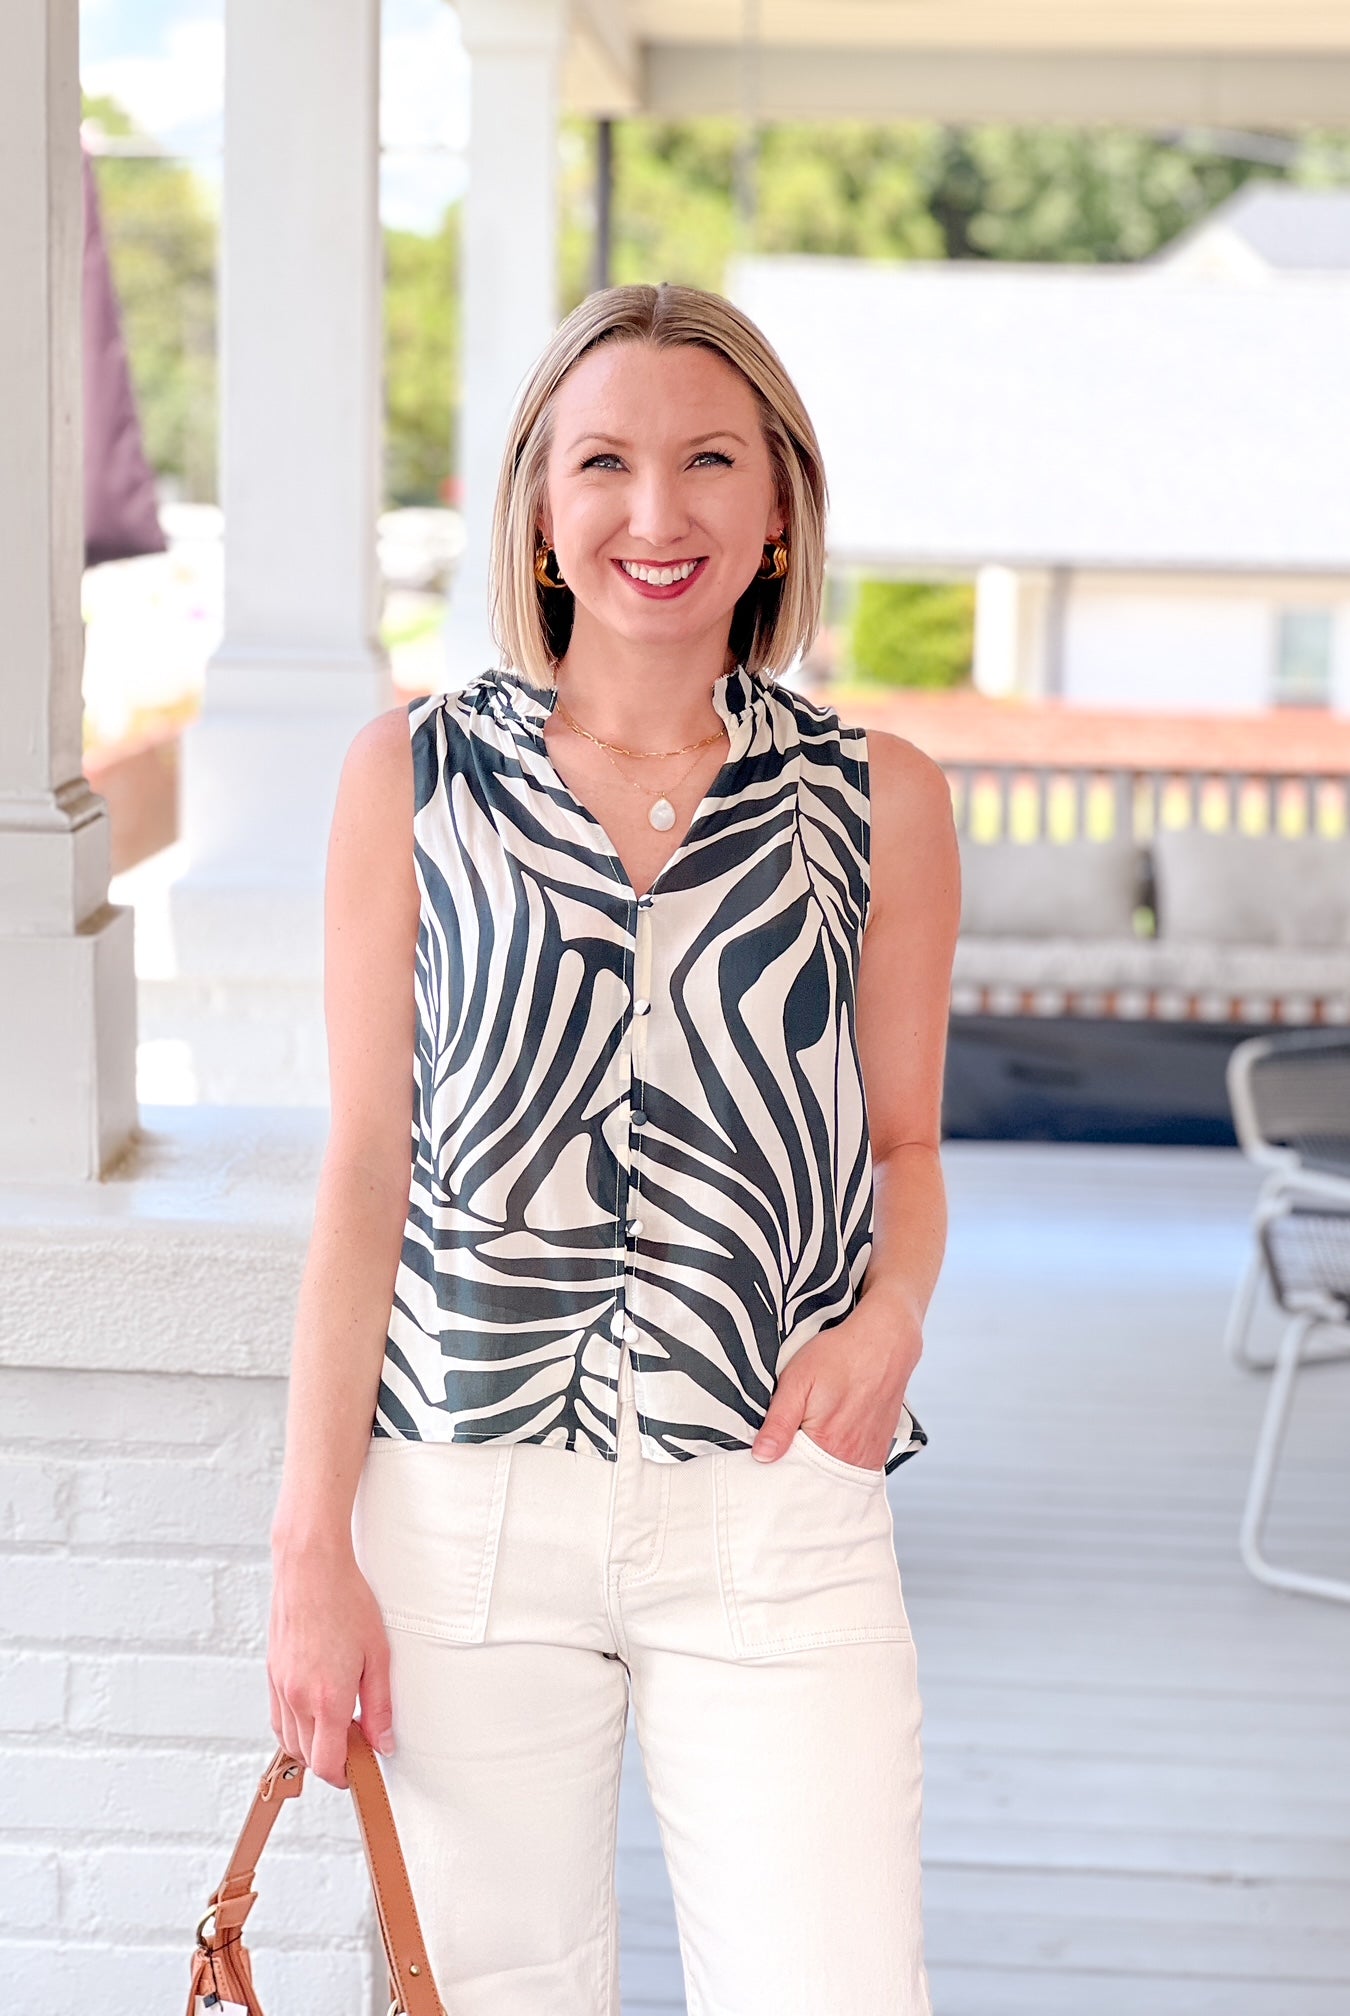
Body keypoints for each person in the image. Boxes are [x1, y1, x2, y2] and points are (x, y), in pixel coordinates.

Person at [267, 281, 960, 2016]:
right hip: (462, 1512)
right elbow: (364, 1175)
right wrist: (306, 1552)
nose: (659, 514)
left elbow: (904, 1148)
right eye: (607, 464)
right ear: (544, 510)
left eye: (710, 459)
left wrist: (892, 1323)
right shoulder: (409, 778)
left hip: (775, 1508)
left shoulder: (883, 795)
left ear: (778, 502)